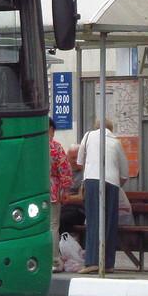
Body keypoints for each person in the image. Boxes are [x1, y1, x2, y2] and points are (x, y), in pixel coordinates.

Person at [75, 120, 129, 273]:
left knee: (94, 220)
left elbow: (79, 161)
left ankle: (93, 261)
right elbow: (125, 173)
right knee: (110, 222)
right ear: (111, 129)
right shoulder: (116, 142)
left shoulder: (88, 136)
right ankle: (108, 263)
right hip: (112, 183)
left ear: (96, 127)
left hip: (93, 180)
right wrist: (116, 184)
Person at [47, 117, 72, 272]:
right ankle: (54, 261)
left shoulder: (31, 146)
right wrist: (66, 189)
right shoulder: (55, 147)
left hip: (32, 192)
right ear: (51, 129)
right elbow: (65, 169)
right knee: (53, 226)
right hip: (52, 191)